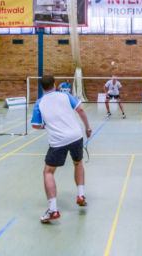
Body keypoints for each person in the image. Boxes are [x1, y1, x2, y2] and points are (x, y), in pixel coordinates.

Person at [31, 75, 92, 223]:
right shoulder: (65, 95)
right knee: (78, 163)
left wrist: (47, 126)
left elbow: (35, 125)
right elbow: (81, 110)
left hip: (58, 141)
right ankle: (81, 195)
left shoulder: (39, 103)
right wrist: (88, 127)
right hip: (76, 136)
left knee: (48, 172)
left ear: (41, 87)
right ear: (55, 84)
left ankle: (52, 210)